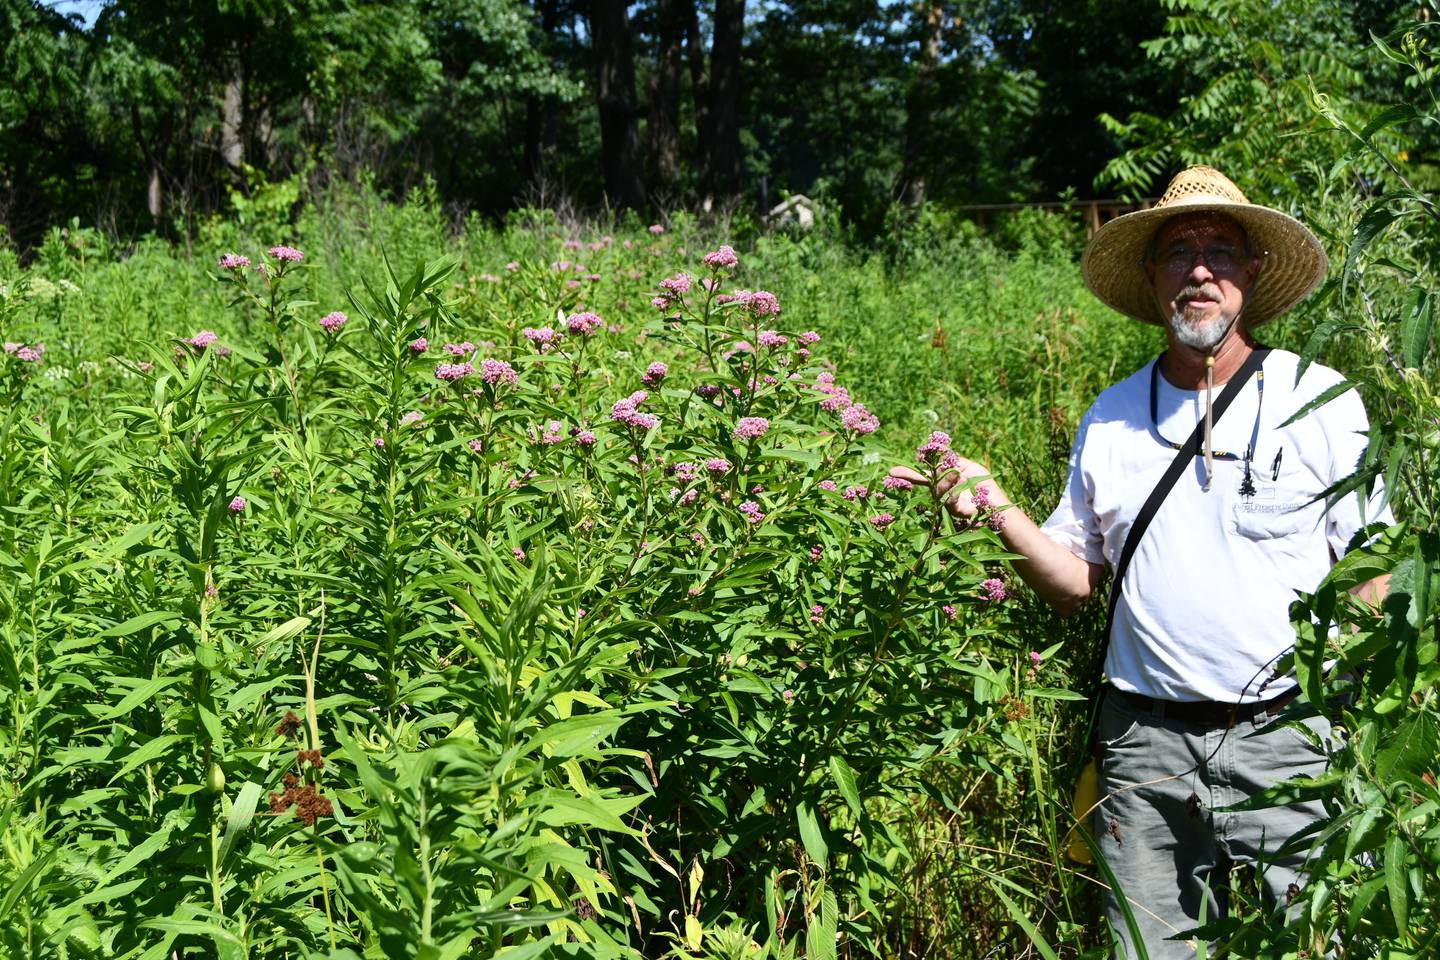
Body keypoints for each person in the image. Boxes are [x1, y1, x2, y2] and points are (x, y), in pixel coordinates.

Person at [889, 166, 1392, 958]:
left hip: (1292, 738)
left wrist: (1366, 726)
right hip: (1144, 749)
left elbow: (1370, 576)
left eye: (1220, 250)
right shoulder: (1113, 415)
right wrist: (992, 505)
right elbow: (1070, 584)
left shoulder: (1320, 399)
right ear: (1152, 277)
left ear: (1251, 274)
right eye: (1179, 251)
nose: (1200, 269)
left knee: (1319, 942)